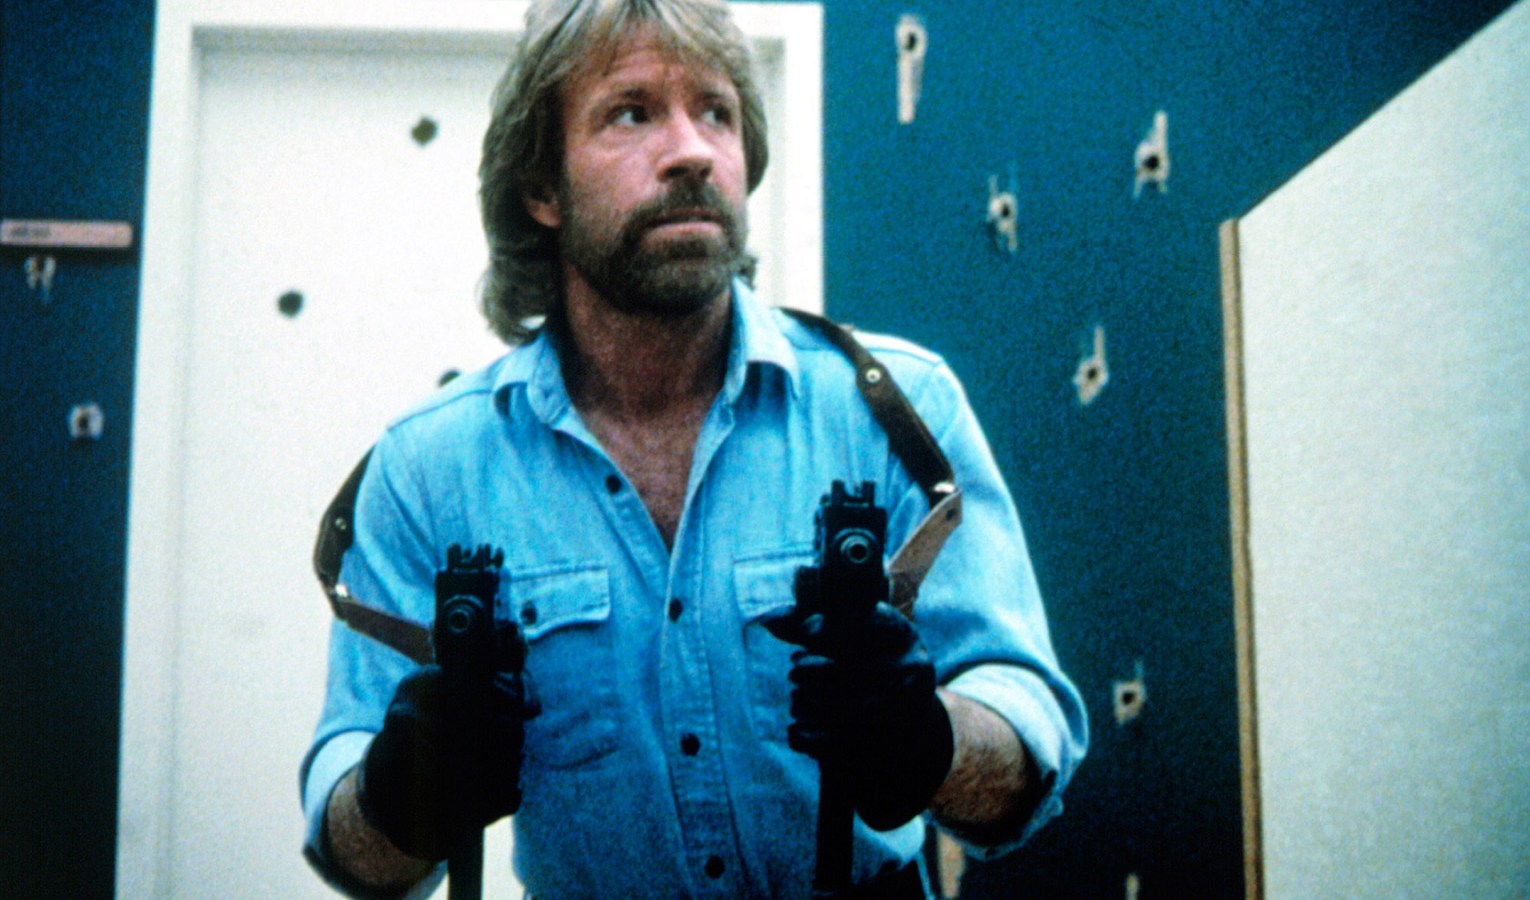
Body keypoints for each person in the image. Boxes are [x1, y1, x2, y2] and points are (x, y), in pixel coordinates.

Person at [300, 1, 1088, 897]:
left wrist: (935, 742)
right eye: (631, 112)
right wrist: (396, 797)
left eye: (717, 111)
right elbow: (351, 846)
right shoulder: (430, 469)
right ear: (542, 189)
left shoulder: (895, 411)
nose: (692, 152)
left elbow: (1029, 734)